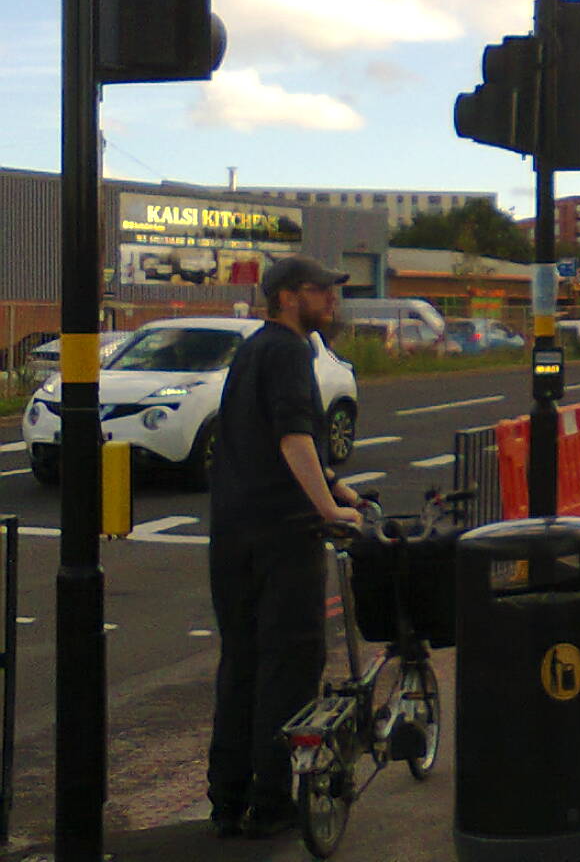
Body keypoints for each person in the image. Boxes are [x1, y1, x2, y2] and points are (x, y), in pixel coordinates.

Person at [206, 254, 364, 839]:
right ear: (290, 297)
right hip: (283, 533)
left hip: (233, 531)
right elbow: (294, 436)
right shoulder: (293, 352)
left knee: (240, 661)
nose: (333, 302)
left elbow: (267, 438)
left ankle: (226, 798)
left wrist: (338, 484)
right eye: (323, 292)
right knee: (289, 664)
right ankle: (271, 801)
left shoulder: (251, 350)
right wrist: (328, 510)